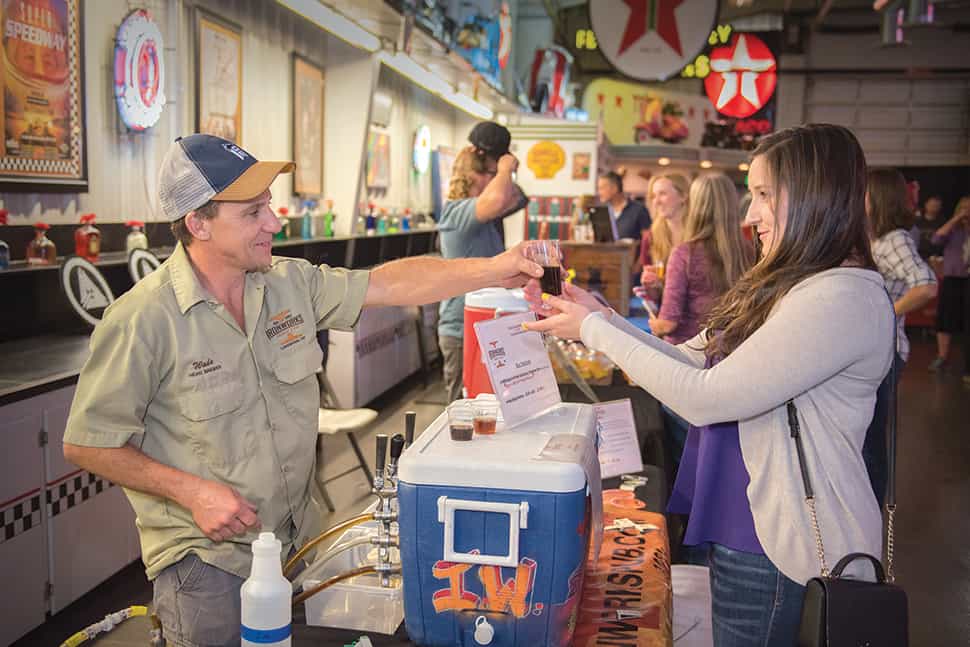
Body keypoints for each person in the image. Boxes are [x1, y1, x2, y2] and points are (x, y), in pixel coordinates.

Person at [61, 134, 543, 647]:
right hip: (208, 564)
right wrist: (192, 491)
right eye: (252, 213)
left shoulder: (288, 283)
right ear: (199, 223)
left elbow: (388, 284)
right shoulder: (143, 320)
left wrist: (495, 268)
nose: (273, 221)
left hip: (298, 544)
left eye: (268, 205)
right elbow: (88, 441)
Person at [525, 124, 892, 646]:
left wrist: (593, 330)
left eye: (764, 195)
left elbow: (707, 398)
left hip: (784, 547)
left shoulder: (841, 298)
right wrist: (601, 315)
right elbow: (689, 359)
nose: (749, 215)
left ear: (814, 196)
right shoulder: (794, 288)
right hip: (747, 528)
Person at [648, 174, 755, 479]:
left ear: (694, 205)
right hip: (732, 363)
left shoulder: (686, 253)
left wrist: (654, 322)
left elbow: (667, 322)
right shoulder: (748, 253)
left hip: (686, 366)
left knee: (684, 462)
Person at [437, 132, 528, 402]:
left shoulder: (484, 218)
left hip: (486, 325)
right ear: (473, 177)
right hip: (462, 330)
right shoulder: (456, 212)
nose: (496, 182)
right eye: (490, 175)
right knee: (463, 414)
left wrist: (504, 171)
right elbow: (498, 199)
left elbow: (518, 197)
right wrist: (504, 168)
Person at [865, 168, 937, 504]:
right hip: (872, 351)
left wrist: (886, 311)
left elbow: (926, 284)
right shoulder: (875, 236)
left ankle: (872, 515)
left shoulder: (895, 238)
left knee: (872, 440)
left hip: (886, 351)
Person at [927, 197, 969, 373]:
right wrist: (956, 219)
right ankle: (942, 357)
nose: (967, 211)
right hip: (952, 279)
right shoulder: (953, 229)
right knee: (945, 319)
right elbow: (935, 240)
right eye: (964, 208)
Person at [638, 173, 689, 304]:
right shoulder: (650, 238)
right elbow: (654, 297)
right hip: (666, 311)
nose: (656, 201)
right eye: (654, 196)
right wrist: (651, 285)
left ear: (683, 196)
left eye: (662, 194)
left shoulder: (700, 234)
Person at [596, 171, 651, 241]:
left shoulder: (639, 209)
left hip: (632, 251)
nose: (599, 192)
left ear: (614, 188)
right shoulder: (601, 212)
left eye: (602, 188)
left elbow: (648, 240)